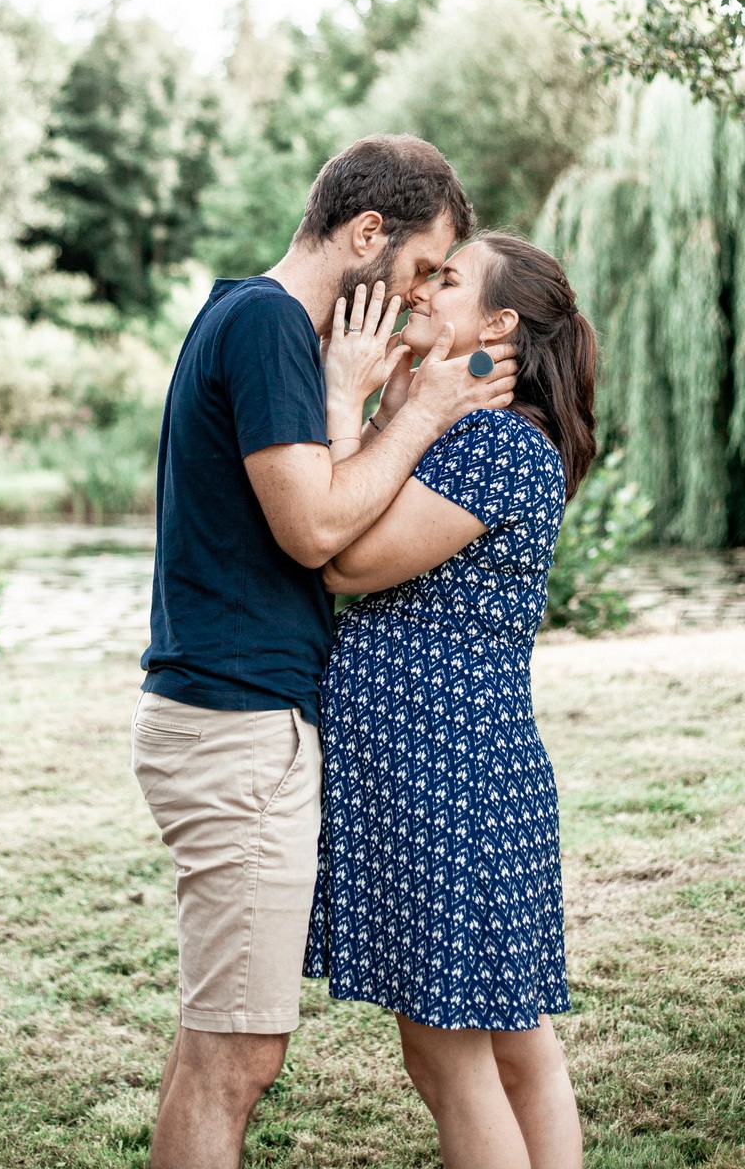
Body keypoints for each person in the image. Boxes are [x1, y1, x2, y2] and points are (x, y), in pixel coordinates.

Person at [131, 135, 518, 1169]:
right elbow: (314, 533)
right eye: (424, 267)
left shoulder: (249, 317)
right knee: (237, 1057)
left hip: (226, 720)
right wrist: (428, 408)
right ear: (363, 236)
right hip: (236, 727)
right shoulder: (263, 325)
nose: (426, 290)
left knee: (214, 1039)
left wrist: (361, 400)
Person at [306, 232, 597, 1169]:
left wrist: (345, 403)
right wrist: (404, 407)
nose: (423, 288)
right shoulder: (471, 433)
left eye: (448, 278)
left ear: (500, 323)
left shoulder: (497, 444)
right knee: (513, 1044)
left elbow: (344, 558)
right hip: (451, 765)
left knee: (450, 1054)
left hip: (448, 772)